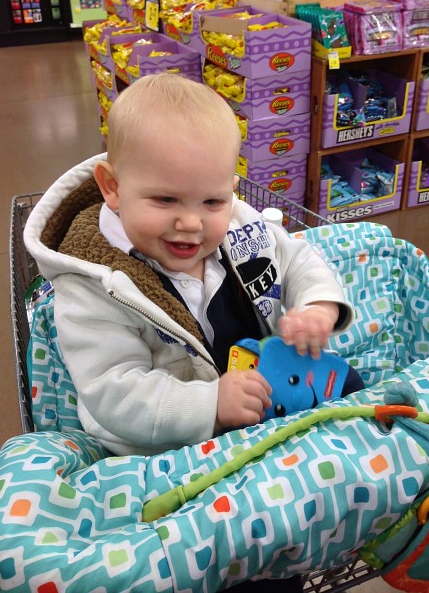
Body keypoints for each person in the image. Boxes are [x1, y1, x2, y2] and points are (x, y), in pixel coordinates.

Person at [25, 72, 362, 459]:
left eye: (212, 202)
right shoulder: (94, 285)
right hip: (164, 445)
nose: (191, 223)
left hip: (264, 386)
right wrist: (209, 405)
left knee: (353, 405)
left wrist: (317, 305)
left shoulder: (238, 224)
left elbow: (295, 257)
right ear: (113, 188)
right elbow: (113, 391)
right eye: (166, 200)